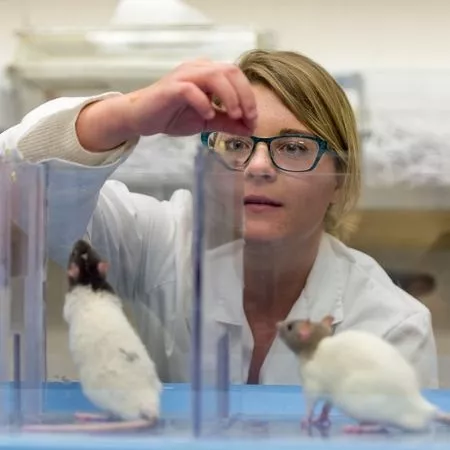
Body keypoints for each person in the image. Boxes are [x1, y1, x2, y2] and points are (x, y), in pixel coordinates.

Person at [0, 50, 438, 387]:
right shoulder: (160, 239)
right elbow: (19, 183)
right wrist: (128, 114)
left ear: (339, 179)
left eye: (293, 147)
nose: (258, 167)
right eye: (236, 145)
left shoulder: (391, 324)